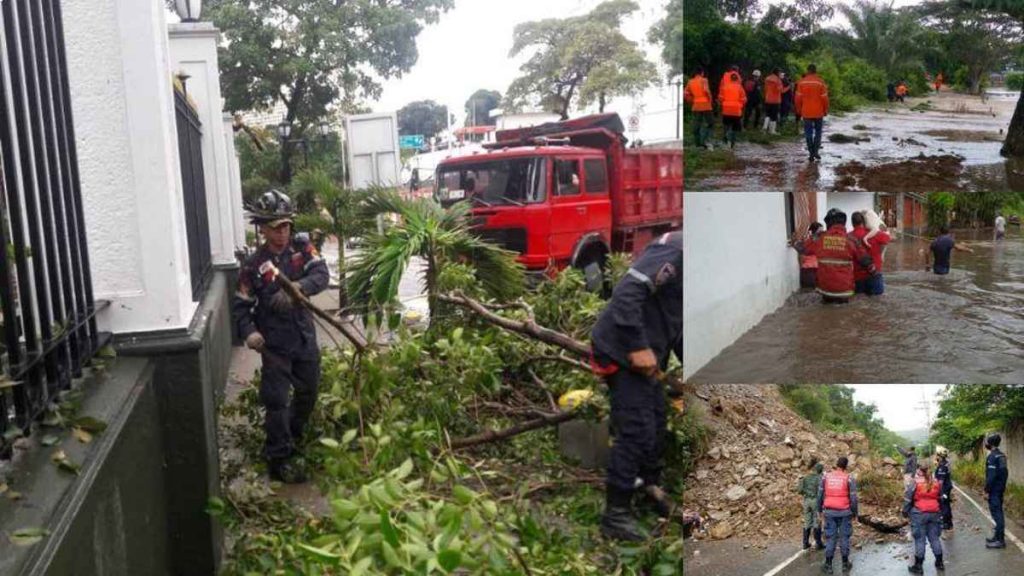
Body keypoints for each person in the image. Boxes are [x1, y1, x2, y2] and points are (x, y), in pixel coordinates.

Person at [232, 189, 330, 484]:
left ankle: (295, 437)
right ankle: (279, 457)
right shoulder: (252, 266)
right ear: (262, 228)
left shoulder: (303, 250)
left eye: (286, 226)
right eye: (275, 228)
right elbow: (240, 307)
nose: (282, 233)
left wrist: (298, 289)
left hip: (303, 337)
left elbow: (322, 275)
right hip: (274, 345)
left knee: (309, 392)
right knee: (276, 401)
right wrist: (250, 333)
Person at [591, 231, 682, 542]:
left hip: (650, 359)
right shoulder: (675, 250)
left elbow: (676, 322)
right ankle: (615, 515)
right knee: (637, 430)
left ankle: (648, 490)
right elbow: (627, 293)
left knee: (657, 424)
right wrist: (636, 346)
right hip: (622, 350)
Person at [791, 209, 875, 304]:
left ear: (828, 223)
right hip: (845, 290)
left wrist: (794, 241)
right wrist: (873, 271)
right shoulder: (851, 240)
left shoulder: (819, 238)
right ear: (843, 223)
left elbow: (802, 249)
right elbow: (865, 260)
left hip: (825, 290)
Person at [818, 457, 858, 574]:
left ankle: (828, 565)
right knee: (844, 537)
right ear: (846, 466)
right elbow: (854, 498)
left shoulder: (826, 476)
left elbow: (820, 494)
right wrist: (855, 513)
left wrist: (819, 509)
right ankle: (845, 564)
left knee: (831, 538)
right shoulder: (849, 478)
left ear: (836, 464)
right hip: (845, 512)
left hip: (829, 512)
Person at [904, 464, 945, 573]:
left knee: (920, 539)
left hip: (919, 513)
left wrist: (905, 511)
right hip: (934, 513)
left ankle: (918, 566)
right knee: (934, 538)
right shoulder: (936, 481)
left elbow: (908, 498)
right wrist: (940, 511)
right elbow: (941, 498)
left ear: (919, 470)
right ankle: (940, 563)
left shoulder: (915, 482)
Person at [851, 211, 891, 296]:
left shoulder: (849, 237)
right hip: (874, 275)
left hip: (857, 278)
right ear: (864, 221)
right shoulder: (875, 234)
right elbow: (888, 238)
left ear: (852, 223)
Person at [795, 64, 830, 162]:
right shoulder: (820, 82)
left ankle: (811, 153)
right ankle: (816, 152)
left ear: (808, 71)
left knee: (808, 132)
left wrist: (798, 109)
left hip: (806, 112)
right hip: (818, 112)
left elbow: (797, 98)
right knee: (818, 132)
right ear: (815, 71)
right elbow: (825, 99)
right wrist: (826, 109)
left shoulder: (801, 82)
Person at [984, 433, 1009, 549]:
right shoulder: (1002, 456)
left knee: (997, 514)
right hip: (1000, 489)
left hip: (994, 490)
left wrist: (986, 490)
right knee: (997, 512)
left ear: (990, 444)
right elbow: (1005, 473)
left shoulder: (992, 457)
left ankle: (1000, 541)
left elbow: (991, 476)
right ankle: (997, 536)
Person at [797, 461, 826, 550]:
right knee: (817, 521)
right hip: (815, 501)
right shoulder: (820, 478)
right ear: (820, 470)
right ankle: (818, 543)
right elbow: (822, 492)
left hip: (806, 501)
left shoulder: (805, 477)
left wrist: (807, 494)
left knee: (807, 521)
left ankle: (805, 543)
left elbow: (799, 490)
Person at [685, 67, 714, 149]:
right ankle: (704, 140)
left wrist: (692, 100)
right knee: (710, 123)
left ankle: (697, 144)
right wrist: (710, 100)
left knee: (697, 124)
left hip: (696, 105)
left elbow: (686, 93)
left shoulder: (690, 81)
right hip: (705, 105)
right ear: (701, 73)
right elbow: (706, 91)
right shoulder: (704, 80)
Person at [719, 72, 747, 149]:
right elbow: (744, 99)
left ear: (730, 79)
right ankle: (732, 143)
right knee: (735, 128)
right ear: (737, 79)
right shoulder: (740, 87)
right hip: (736, 111)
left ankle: (726, 139)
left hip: (726, 110)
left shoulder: (724, 87)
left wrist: (724, 103)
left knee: (726, 126)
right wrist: (740, 105)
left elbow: (720, 98)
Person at [798, 222, 824, 289]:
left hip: (815, 271)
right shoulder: (808, 242)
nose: (822, 233)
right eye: (820, 231)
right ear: (815, 232)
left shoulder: (819, 241)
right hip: (810, 271)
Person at [934, 446, 954, 531]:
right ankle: (949, 523)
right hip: (947, 487)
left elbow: (941, 481)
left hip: (944, 488)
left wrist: (940, 492)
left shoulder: (942, 466)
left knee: (944, 506)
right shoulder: (946, 463)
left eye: (937, 455)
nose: (936, 456)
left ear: (940, 456)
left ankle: (946, 524)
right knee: (947, 505)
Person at [763, 68, 787, 134]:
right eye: (779, 72)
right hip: (775, 100)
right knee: (774, 116)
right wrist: (788, 87)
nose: (780, 74)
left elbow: (765, 88)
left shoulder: (767, 78)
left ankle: (764, 128)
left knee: (767, 114)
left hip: (767, 99)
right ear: (777, 73)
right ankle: (772, 130)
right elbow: (781, 91)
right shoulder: (778, 80)